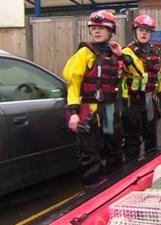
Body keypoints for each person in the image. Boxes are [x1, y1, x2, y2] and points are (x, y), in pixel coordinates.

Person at [63, 10, 128, 187]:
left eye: (101, 28)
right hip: (90, 111)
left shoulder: (116, 54)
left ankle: (115, 188)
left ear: (110, 31)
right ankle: (91, 192)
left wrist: (123, 55)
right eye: (94, 28)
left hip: (111, 109)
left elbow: (136, 75)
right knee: (90, 156)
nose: (97, 31)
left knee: (115, 152)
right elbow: (73, 84)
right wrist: (73, 113)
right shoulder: (84, 53)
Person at [121, 15, 161, 163]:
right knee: (132, 140)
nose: (144, 33)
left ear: (151, 33)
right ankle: (129, 173)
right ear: (135, 31)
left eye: (147, 31)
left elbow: (158, 76)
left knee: (151, 138)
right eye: (141, 30)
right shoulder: (126, 52)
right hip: (132, 102)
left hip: (148, 100)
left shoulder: (154, 52)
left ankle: (150, 167)